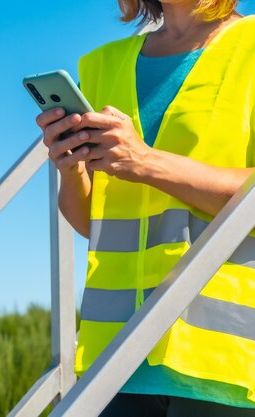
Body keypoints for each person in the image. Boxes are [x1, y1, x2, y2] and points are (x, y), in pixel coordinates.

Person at [36, 1, 255, 416]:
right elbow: (90, 223)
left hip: (224, 361)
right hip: (115, 357)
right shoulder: (101, 64)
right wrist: (71, 170)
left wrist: (147, 162)